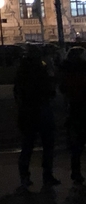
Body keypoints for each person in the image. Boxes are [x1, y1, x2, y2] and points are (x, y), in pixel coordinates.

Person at [15, 48, 60, 188]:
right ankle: (47, 175)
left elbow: (17, 92)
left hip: (27, 112)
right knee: (47, 145)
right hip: (42, 111)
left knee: (27, 146)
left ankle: (24, 177)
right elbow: (50, 91)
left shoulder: (22, 72)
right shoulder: (42, 71)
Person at [61, 47, 86, 184]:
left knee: (77, 145)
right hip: (80, 109)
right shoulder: (81, 70)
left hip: (74, 110)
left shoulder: (67, 71)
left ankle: (76, 172)